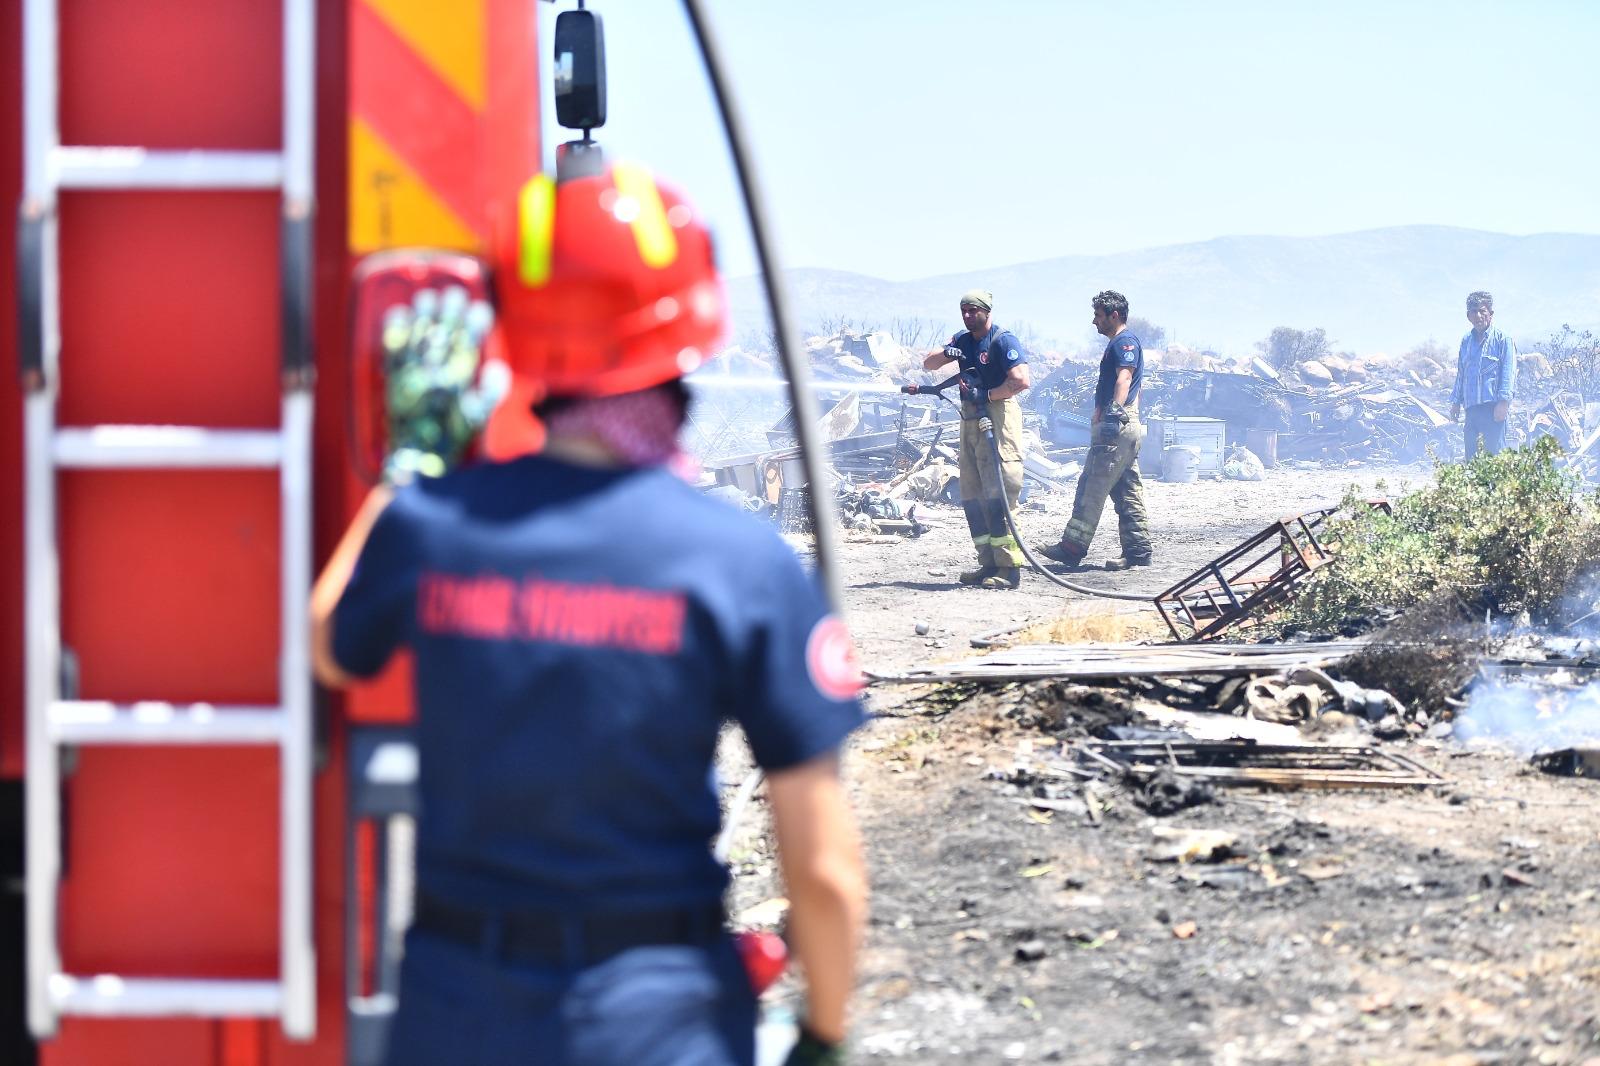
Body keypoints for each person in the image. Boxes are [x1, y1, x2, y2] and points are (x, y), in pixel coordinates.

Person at [311, 164, 867, 1066]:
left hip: (458, 1010)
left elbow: (332, 647)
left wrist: (409, 473)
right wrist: (825, 1036)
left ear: (513, 332)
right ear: (690, 331)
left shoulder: (432, 526)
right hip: (657, 1016)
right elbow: (825, 872)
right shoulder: (738, 560)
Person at [919, 289, 1031, 589]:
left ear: (987, 311)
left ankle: (1009, 568)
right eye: (964, 311)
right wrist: (948, 354)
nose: (967, 316)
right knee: (973, 494)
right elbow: (928, 364)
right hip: (969, 418)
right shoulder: (962, 340)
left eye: (973, 311)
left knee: (999, 493)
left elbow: (1021, 380)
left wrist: (989, 394)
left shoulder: (1002, 340)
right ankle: (988, 563)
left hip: (997, 416)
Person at [1039, 290, 1152, 570]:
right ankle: (1138, 551)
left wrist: (1112, 414)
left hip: (1117, 426)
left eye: (1098, 315)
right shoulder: (1123, 343)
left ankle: (1072, 548)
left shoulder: (1123, 342)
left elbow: (1125, 379)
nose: (1094, 321)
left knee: (1092, 485)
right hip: (1127, 424)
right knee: (1127, 490)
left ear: (1114, 315)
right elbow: (1137, 388)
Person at [1449, 290, 1517, 460]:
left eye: (1482, 311)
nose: (1478, 316)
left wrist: (1503, 404)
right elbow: (1461, 373)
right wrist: (1456, 402)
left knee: (1494, 459)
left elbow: (1508, 374)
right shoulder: (1466, 341)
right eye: (1474, 312)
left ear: (1491, 314)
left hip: (1492, 409)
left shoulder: (1503, 340)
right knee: (1472, 459)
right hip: (1471, 410)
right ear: (1468, 316)